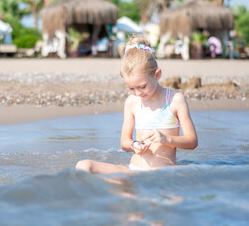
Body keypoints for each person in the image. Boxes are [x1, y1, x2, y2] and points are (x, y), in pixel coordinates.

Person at [75, 35, 198, 174]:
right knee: (83, 165)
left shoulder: (175, 99)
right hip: (134, 170)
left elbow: (192, 141)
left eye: (143, 86)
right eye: (131, 88)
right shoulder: (132, 102)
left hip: (163, 173)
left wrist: (166, 139)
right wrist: (134, 145)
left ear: (157, 75)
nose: (138, 93)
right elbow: (124, 142)